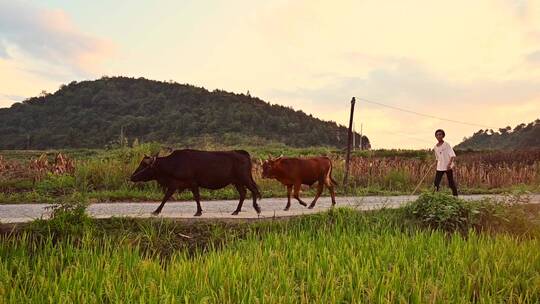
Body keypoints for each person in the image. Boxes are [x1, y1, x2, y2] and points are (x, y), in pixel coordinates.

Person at [433, 129, 458, 196]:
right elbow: (437, 158)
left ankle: (455, 197)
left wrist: (449, 164)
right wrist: (434, 164)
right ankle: (435, 197)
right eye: (437, 135)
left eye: (440, 134)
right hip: (440, 167)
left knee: (451, 183)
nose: (438, 136)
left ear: (443, 135)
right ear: (435, 136)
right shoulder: (435, 147)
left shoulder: (446, 144)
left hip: (447, 167)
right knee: (436, 183)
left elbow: (452, 155)